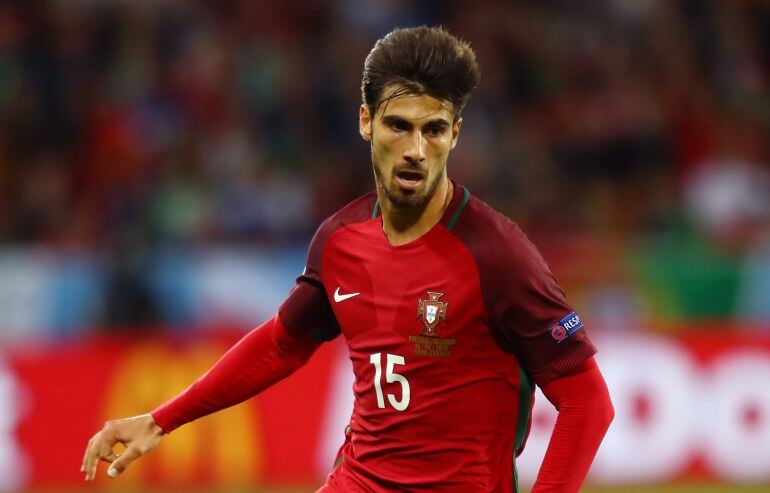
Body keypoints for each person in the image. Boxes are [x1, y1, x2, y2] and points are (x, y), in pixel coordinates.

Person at [81, 26, 614, 493]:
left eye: (433, 130)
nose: (415, 149)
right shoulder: (339, 240)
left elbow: (588, 402)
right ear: (366, 122)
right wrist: (161, 420)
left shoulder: (499, 256)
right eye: (398, 125)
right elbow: (280, 344)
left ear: (454, 134)